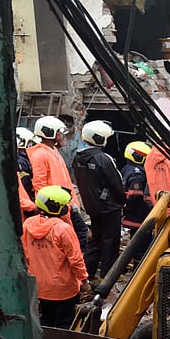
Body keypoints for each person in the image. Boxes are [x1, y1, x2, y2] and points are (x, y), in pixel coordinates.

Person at [22, 185, 88, 329]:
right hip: (64, 289)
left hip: (40, 287)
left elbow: (25, 255)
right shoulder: (63, 229)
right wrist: (84, 280)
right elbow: (76, 259)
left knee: (46, 322)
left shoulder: (28, 224)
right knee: (65, 325)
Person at [74, 120, 126, 280]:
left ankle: (88, 273)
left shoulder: (78, 158)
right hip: (109, 207)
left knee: (95, 240)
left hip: (92, 206)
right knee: (111, 241)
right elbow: (116, 183)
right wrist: (122, 201)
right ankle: (108, 275)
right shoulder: (103, 159)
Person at [28, 115, 89, 247]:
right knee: (76, 237)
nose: (63, 136)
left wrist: (74, 202)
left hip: (65, 204)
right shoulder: (41, 154)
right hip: (55, 206)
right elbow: (39, 183)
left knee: (78, 235)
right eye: (60, 132)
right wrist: (47, 207)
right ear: (50, 133)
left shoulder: (54, 151)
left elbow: (64, 180)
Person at [121, 140, 153, 232]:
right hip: (138, 215)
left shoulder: (127, 168)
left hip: (131, 215)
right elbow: (135, 196)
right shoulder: (137, 174)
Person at [15, 127, 37, 217]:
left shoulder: (23, 160)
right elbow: (25, 185)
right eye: (30, 143)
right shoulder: (22, 162)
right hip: (25, 205)